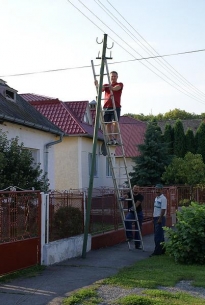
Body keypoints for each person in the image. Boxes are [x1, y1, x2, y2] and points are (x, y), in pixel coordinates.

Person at [95, 71, 123, 145]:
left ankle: (115, 139)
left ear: (117, 77)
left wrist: (112, 88)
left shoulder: (120, 84)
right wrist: (97, 84)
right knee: (107, 124)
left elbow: (116, 88)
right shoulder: (106, 85)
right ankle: (110, 139)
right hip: (107, 106)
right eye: (112, 76)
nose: (113, 77)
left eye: (114, 76)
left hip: (115, 106)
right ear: (110, 77)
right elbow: (101, 89)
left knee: (115, 123)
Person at [150, 183, 167, 257]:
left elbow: (163, 209)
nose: (157, 191)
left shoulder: (163, 198)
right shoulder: (156, 198)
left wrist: (160, 219)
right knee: (160, 235)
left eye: (158, 189)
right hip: (155, 217)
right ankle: (162, 250)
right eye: (156, 189)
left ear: (161, 190)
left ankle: (157, 251)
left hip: (160, 218)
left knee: (158, 236)